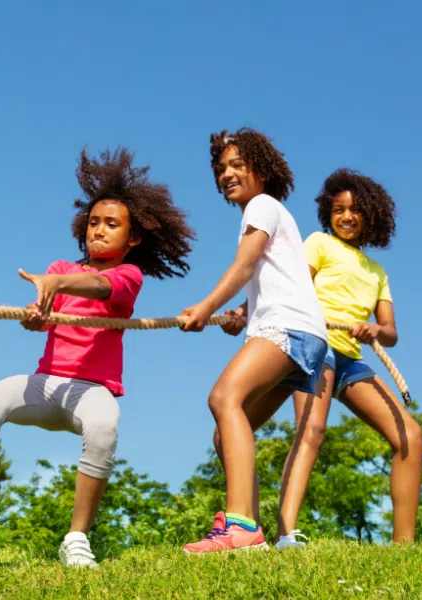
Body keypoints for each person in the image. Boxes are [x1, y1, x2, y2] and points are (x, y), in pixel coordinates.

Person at [0, 148, 193, 567]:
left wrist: (57, 282)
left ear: (133, 237)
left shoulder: (127, 275)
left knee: (105, 424)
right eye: (93, 223)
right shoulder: (59, 268)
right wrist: (36, 316)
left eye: (111, 224)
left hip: (91, 392)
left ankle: (76, 538)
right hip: (48, 385)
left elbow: (101, 289)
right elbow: (45, 319)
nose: (99, 231)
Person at [178, 128, 328, 554]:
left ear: (261, 169)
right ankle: (252, 537)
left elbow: (244, 266)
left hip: (289, 329)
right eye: (221, 169)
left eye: (237, 165)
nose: (227, 174)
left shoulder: (261, 206)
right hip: (299, 335)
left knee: (223, 397)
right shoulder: (274, 214)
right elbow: (274, 278)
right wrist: (241, 316)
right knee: (226, 432)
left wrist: (206, 306)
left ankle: (241, 524)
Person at [273, 169, 422, 549]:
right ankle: (286, 534)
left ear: (371, 216)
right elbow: (293, 287)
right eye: (339, 209)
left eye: (356, 211)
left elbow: (391, 331)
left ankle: (405, 547)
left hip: (351, 359)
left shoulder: (377, 272)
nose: (347, 217)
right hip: (316, 346)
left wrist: (374, 329)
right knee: (312, 431)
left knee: (410, 435)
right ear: (328, 212)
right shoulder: (319, 243)